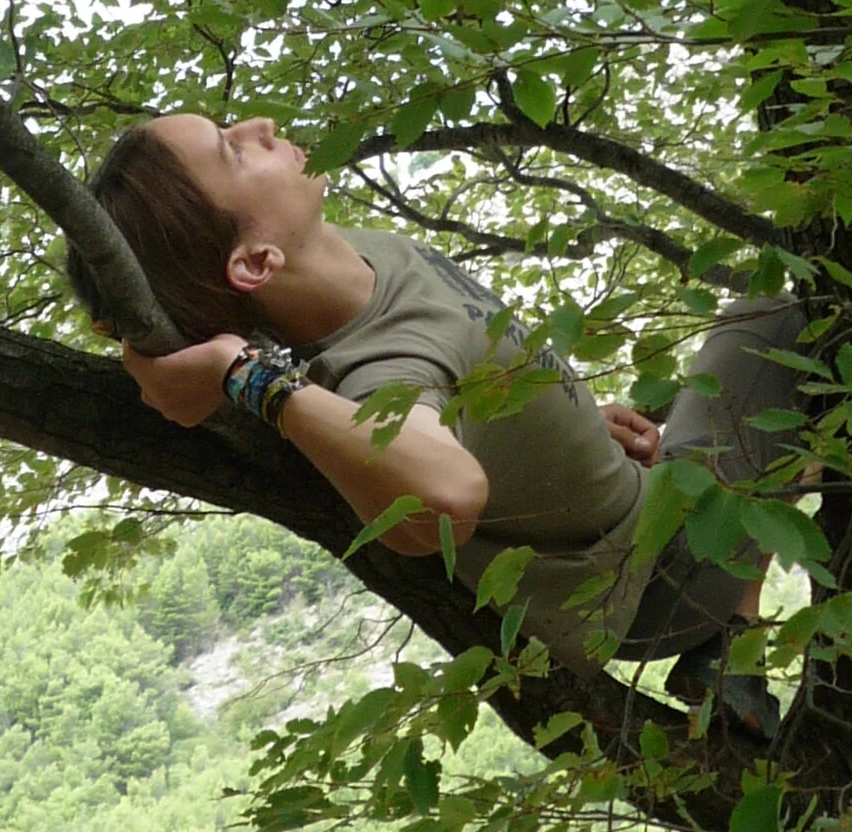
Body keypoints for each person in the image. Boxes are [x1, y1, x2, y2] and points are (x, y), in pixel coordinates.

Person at [65, 111, 807, 734]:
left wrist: (568, 421)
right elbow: (444, 496)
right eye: (232, 151)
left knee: (768, 348)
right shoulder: (382, 374)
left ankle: (729, 659)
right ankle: (734, 641)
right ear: (257, 263)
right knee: (800, 323)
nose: (258, 125)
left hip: (644, 502)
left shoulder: (350, 259)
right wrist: (239, 371)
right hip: (660, 578)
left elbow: (152, 317)